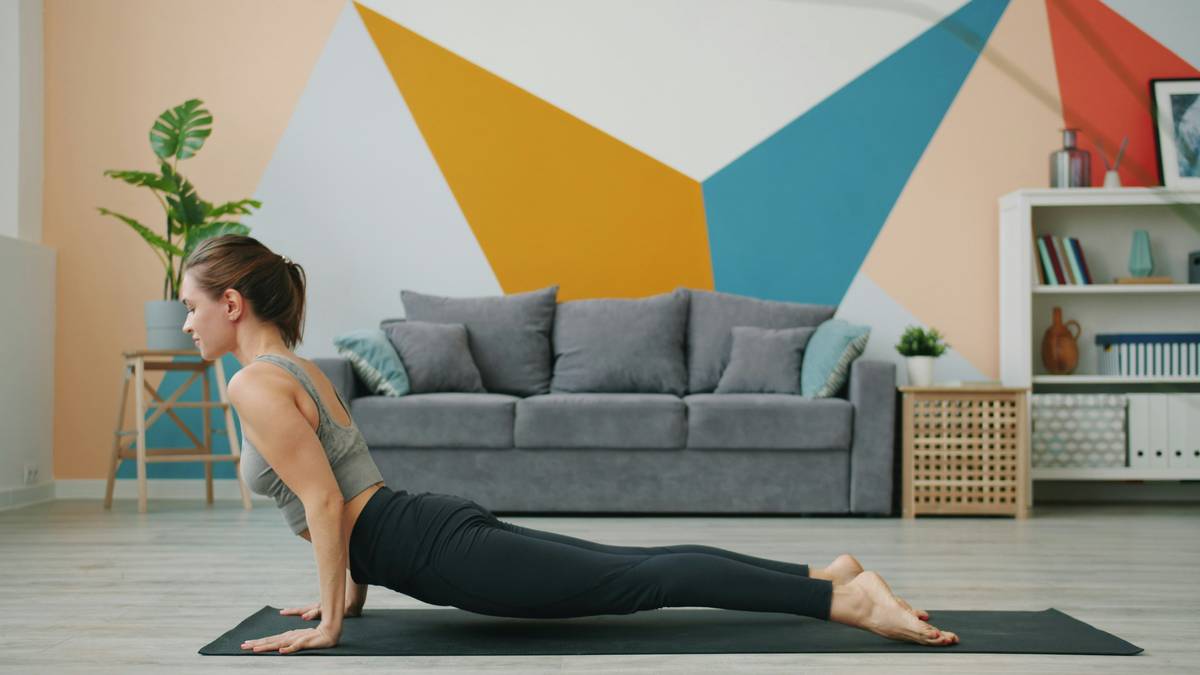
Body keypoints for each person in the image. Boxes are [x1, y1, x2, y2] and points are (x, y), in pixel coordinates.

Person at [179, 234, 959, 655]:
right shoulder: (294, 367)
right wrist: (347, 589)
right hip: (415, 531)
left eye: (191, 306)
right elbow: (344, 487)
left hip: (425, 546)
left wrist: (331, 625)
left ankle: (842, 600)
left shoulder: (251, 384)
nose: (186, 322)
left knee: (638, 580)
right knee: (635, 570)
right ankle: (830, 574)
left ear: (233, 302)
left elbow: (324, 497)